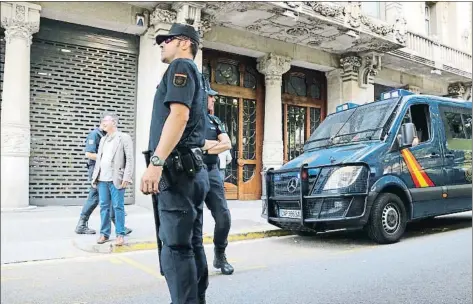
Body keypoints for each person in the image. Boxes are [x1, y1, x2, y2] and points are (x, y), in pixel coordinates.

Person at [140, 23, 209, 304]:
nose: (161, 44)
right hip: (190, 169)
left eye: (165, 40)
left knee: (176, 247)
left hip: (177, 170)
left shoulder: (181, 66)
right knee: (190, 243)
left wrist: (156, 162)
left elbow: (179, 117)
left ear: (183, 42)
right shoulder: (195, 73)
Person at [75, 119, 132, 235]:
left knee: (111, 199)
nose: (105, 124)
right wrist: (108, 158)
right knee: (95, 197)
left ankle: (118, 226)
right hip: (98, 171)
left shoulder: (109, 136)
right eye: (104, 121)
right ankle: (81, 224)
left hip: (109, 173)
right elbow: (88, 154)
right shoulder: (95, 134)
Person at [202, 86, 234, 275]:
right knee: (193, 219)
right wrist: (213, 144)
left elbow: (227, 144)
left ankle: (220, 254)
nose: (213, 100)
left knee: (224, 217)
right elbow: (191, 144)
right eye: (210, 97)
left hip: (212, 171)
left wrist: (204, 147)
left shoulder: (215, 120)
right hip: (193, 172)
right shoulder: (189, 118)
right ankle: (194, 260)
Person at [91, 113, 134, 246]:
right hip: (102, 179)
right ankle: (104, 234)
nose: (103, 123)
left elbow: (130, 158)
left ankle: (120, 234)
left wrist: (127, 176)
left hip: (117, 179)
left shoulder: (124, 137)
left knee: (118, 207)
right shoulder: (103, 139)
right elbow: (99, 160)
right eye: (102, 120)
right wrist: (95, 177)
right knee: (104, 207)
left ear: (114, 122)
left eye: (105, 120)